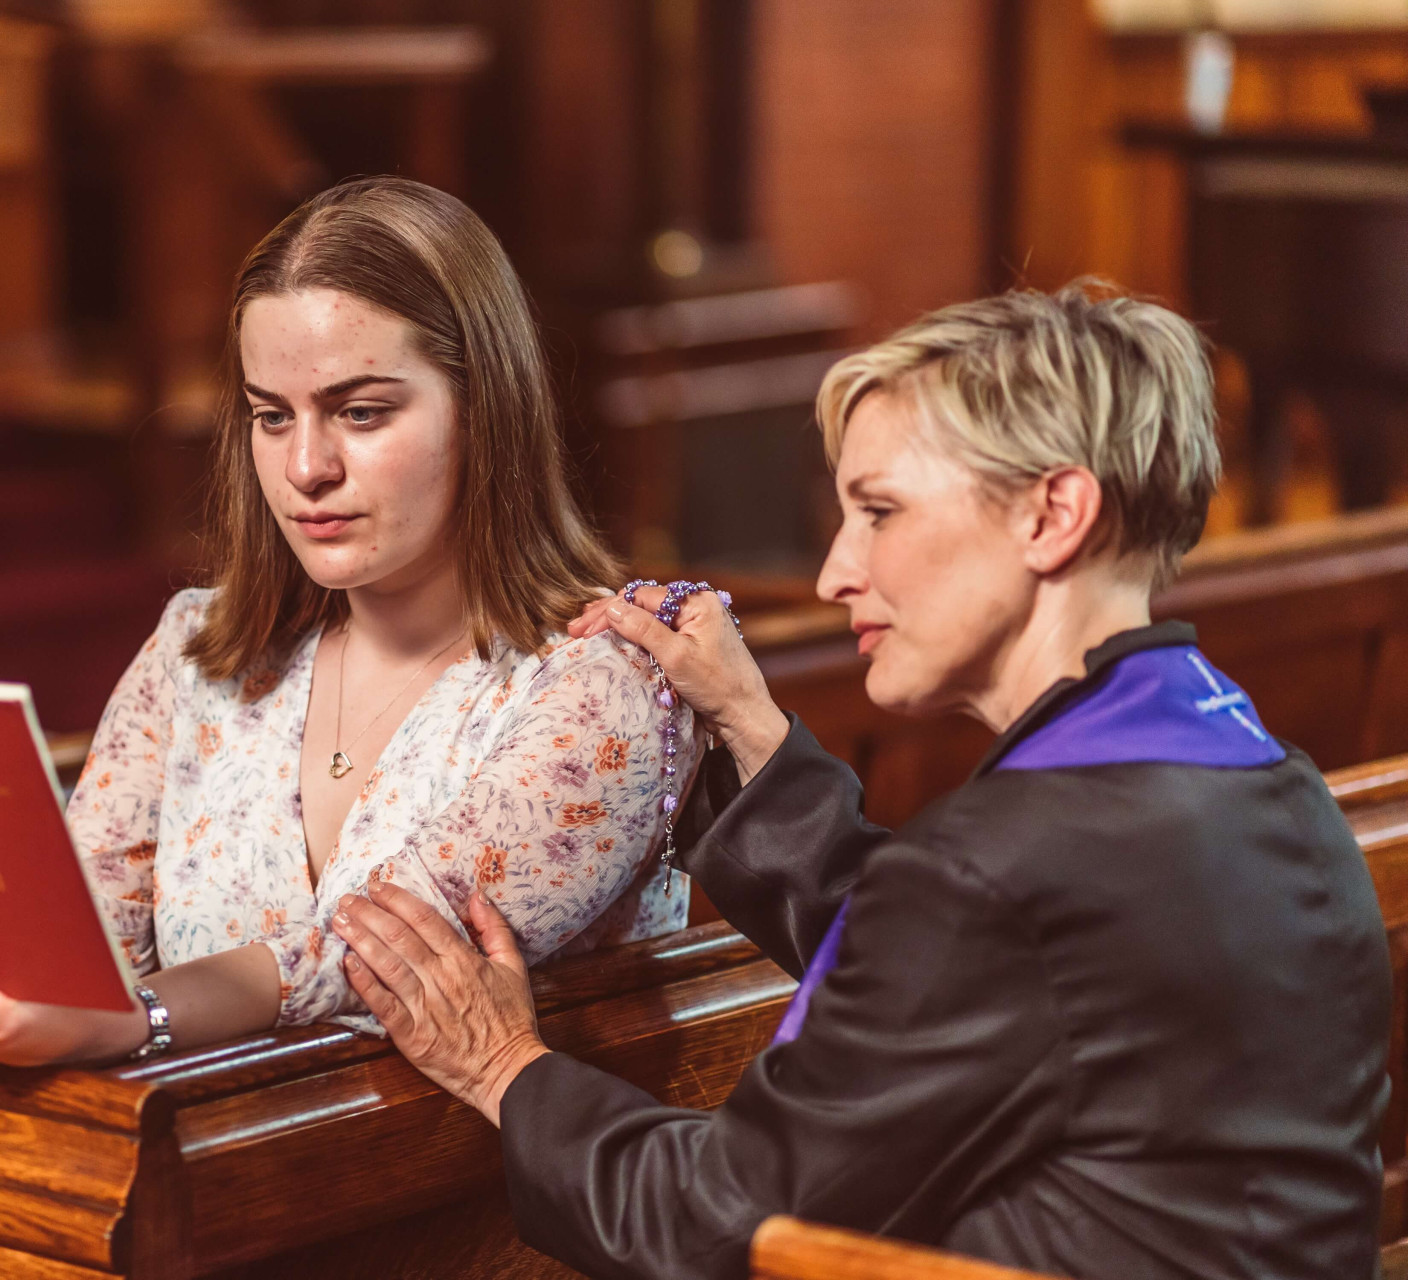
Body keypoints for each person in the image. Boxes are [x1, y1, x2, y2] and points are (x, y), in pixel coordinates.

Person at [335, 284, 1393, 1279]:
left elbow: (724, 1221)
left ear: (1052, 514)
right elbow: (962, 978)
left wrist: (503, 1066)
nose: (838, 569)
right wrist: (749, 725)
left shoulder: (1003, 873)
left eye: (880, 511)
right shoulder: (1254, 772)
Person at [0, 176, 698, 1066]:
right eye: (271, 415)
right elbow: (63, 963)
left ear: (487, 409)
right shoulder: (197, 653)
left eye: (360, 413)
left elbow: (376, 954)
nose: (306, 467)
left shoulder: (601, 683)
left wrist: (137, 1017)